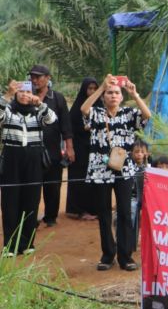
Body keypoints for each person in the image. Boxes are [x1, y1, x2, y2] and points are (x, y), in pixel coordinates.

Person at [81, 74, 152, 272]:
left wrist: (135, 94)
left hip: (124, 170)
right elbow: (83, 109)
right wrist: (101, 87)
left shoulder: (129, 113)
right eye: (109, 93)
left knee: (125, 213)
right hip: (99, 170)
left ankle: (125, 256)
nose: (113, 96)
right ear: (104, 96)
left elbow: (147, 116)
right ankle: (107, 254)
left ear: (121, 97)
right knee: (103, 213)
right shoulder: (96, 113)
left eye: (116, 93)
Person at [0, 81, 57, 256]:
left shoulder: (37, 113)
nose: (24, 95)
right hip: (12, 159)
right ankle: (10, 245)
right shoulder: (8, 111)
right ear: (16, 94)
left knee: (31, 201)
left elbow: (52, 119)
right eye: (21, 92)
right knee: (10, 202)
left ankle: (27, 243)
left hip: (33, 160)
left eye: (28, 92)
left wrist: (39, 103)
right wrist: (7, 95)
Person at [28, 65, 73, 227]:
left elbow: (66, 126)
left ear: (48, 78)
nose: (34, 80)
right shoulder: (26, 96)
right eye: (32, 77)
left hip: (53, 149)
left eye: (38, 77)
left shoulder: (58, 98)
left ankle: (51, 216)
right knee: (32, 186)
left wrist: (69, 147)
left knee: (53, 185)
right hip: (31, 150)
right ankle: (31, 219)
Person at [67, 77, 100, 220]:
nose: (92, 91)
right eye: (89, 88)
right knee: (79, 178)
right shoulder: (76, 107)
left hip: (96, 148)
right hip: (79, 148)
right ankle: (79, 210)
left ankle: (94, 208)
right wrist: (70, 148)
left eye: (94, 88)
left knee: (95, 178)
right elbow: (70, 129)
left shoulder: (100, 106)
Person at [129, 139, 150, 253]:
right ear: (132, 153)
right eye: (136, 152)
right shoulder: (129, 167)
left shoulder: (149, 168)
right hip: (133, 197)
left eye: (142, 152)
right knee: (132, 216)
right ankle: (131, 243)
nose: (139, 154)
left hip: (146, 198)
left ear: (147, 153)